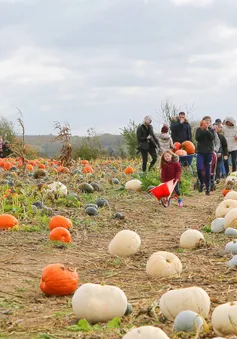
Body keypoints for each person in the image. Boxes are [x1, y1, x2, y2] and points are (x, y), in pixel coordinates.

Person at [195, 116, 215, 195]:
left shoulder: (211, 130)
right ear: (202, 122)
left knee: (207, 170)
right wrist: (204, 130)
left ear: (210, 122)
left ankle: (208, 188)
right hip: (200, 152)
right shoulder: (198, 130)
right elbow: (198, 138)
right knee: (199, 168)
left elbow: (212, 138)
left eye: (208, 121)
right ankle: (201, 182)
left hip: (209, 152)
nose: (207, 122)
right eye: (205, 121)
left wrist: (207, 130)